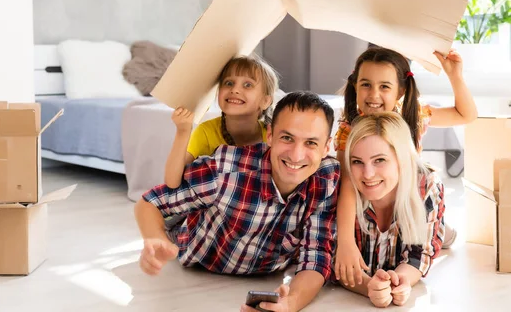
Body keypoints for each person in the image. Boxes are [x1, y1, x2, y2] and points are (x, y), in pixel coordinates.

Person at [136, 91, 339, 312]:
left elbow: (317, 257)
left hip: (266, 265)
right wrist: (154, 238)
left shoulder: (326, 178)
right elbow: (150, 201)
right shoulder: (227, 169)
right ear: (270, 135)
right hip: (200, 252)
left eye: (310, 143)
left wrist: (290, 303)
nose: (297, 155)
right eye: (287, 138)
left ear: (327, 147)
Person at [334, 45, 476, 286]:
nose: (373, 95)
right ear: (355, 86)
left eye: (384, 87)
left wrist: (455, 75)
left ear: (400, 90)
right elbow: (347, 185)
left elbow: (466, 115)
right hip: (376, 197)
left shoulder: (414, 115)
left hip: (410, 196)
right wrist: (346, 242)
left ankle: (441, 232)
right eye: (366, 84)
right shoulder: (349, 129)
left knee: (434, 232)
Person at [338, 112, 445, 307]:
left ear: (401, 159)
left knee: (442, 237)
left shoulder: (426, 186)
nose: (368, 174)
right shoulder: (341, 191)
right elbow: (333, 261)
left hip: (421, 220)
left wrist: (402, 281)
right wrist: (370, 287)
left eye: (379, 160)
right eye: (357, 162)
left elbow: (420, 255)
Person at [164, 54, 279, 188]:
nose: (235, 90)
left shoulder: (274, 136)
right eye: (229, 83)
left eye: (248, 85)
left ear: (265, 101)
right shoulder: (206, 131)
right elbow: (172, 182)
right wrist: (183, 131)